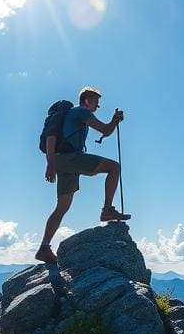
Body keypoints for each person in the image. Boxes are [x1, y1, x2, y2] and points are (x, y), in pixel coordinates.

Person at [35, 86, 130, 264]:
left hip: (63, 161)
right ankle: (107, 209)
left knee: (62, 207)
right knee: (114, 168)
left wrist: (52, 162)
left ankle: (44, 248)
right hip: (71, 158)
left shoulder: (73, 115)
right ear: (87, 100)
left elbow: (52, 137)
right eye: (96, 101)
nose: (98, 106)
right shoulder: (81, 112)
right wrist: (115, 120)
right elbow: (105, 130)